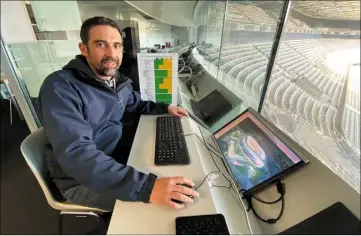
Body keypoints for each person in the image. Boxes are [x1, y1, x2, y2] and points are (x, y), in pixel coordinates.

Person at [36, 16, 199, 212]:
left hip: (112, 159)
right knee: (156, 208)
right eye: (101, 44)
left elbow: (136, 104)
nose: (111, 53)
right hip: (79, 180)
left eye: (116, 45)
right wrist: (146, 187)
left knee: (171, 176)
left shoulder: (116, 80)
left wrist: (164, 108)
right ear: (83, 48)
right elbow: (77, 154)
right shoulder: (61, 87)